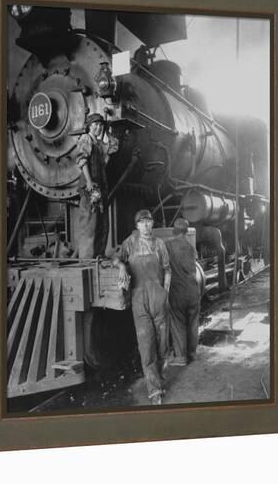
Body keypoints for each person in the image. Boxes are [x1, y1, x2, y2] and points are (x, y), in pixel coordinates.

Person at [113, 209, 171, 405]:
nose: (146, 225)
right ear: (136, 225)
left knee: (162, 346)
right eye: (142, 222)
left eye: (148, 221)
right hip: (139, 301)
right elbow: (116, 258)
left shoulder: (159, 244)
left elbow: (167, 269)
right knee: (146, 347)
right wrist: (121, 266)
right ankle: (154, 391)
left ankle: (160, 378)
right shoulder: (130, 243)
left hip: (159, 299)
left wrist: (166, 293)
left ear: (152, 224)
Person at [75, 113, 118, 258]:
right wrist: (88, 181)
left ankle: (99, 255)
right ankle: (87, 258)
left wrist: (108, 131)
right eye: (95, 125)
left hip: (101, 187)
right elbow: (82, 160)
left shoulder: (99, 144)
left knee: (102, 223)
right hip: (90, 187)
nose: (98, 128)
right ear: (89, 126)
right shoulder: (86, 139)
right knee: (89, 223)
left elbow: (113, 147)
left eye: (100, 125)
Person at [167, 218, 200, 366]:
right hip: (193, 290)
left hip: (178, 290)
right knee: (193, 322)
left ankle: (180, 357)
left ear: (174, 230)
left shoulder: (168, 246)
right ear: (186, 232)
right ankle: (192, 354)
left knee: (178, 322)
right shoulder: (190, 247)